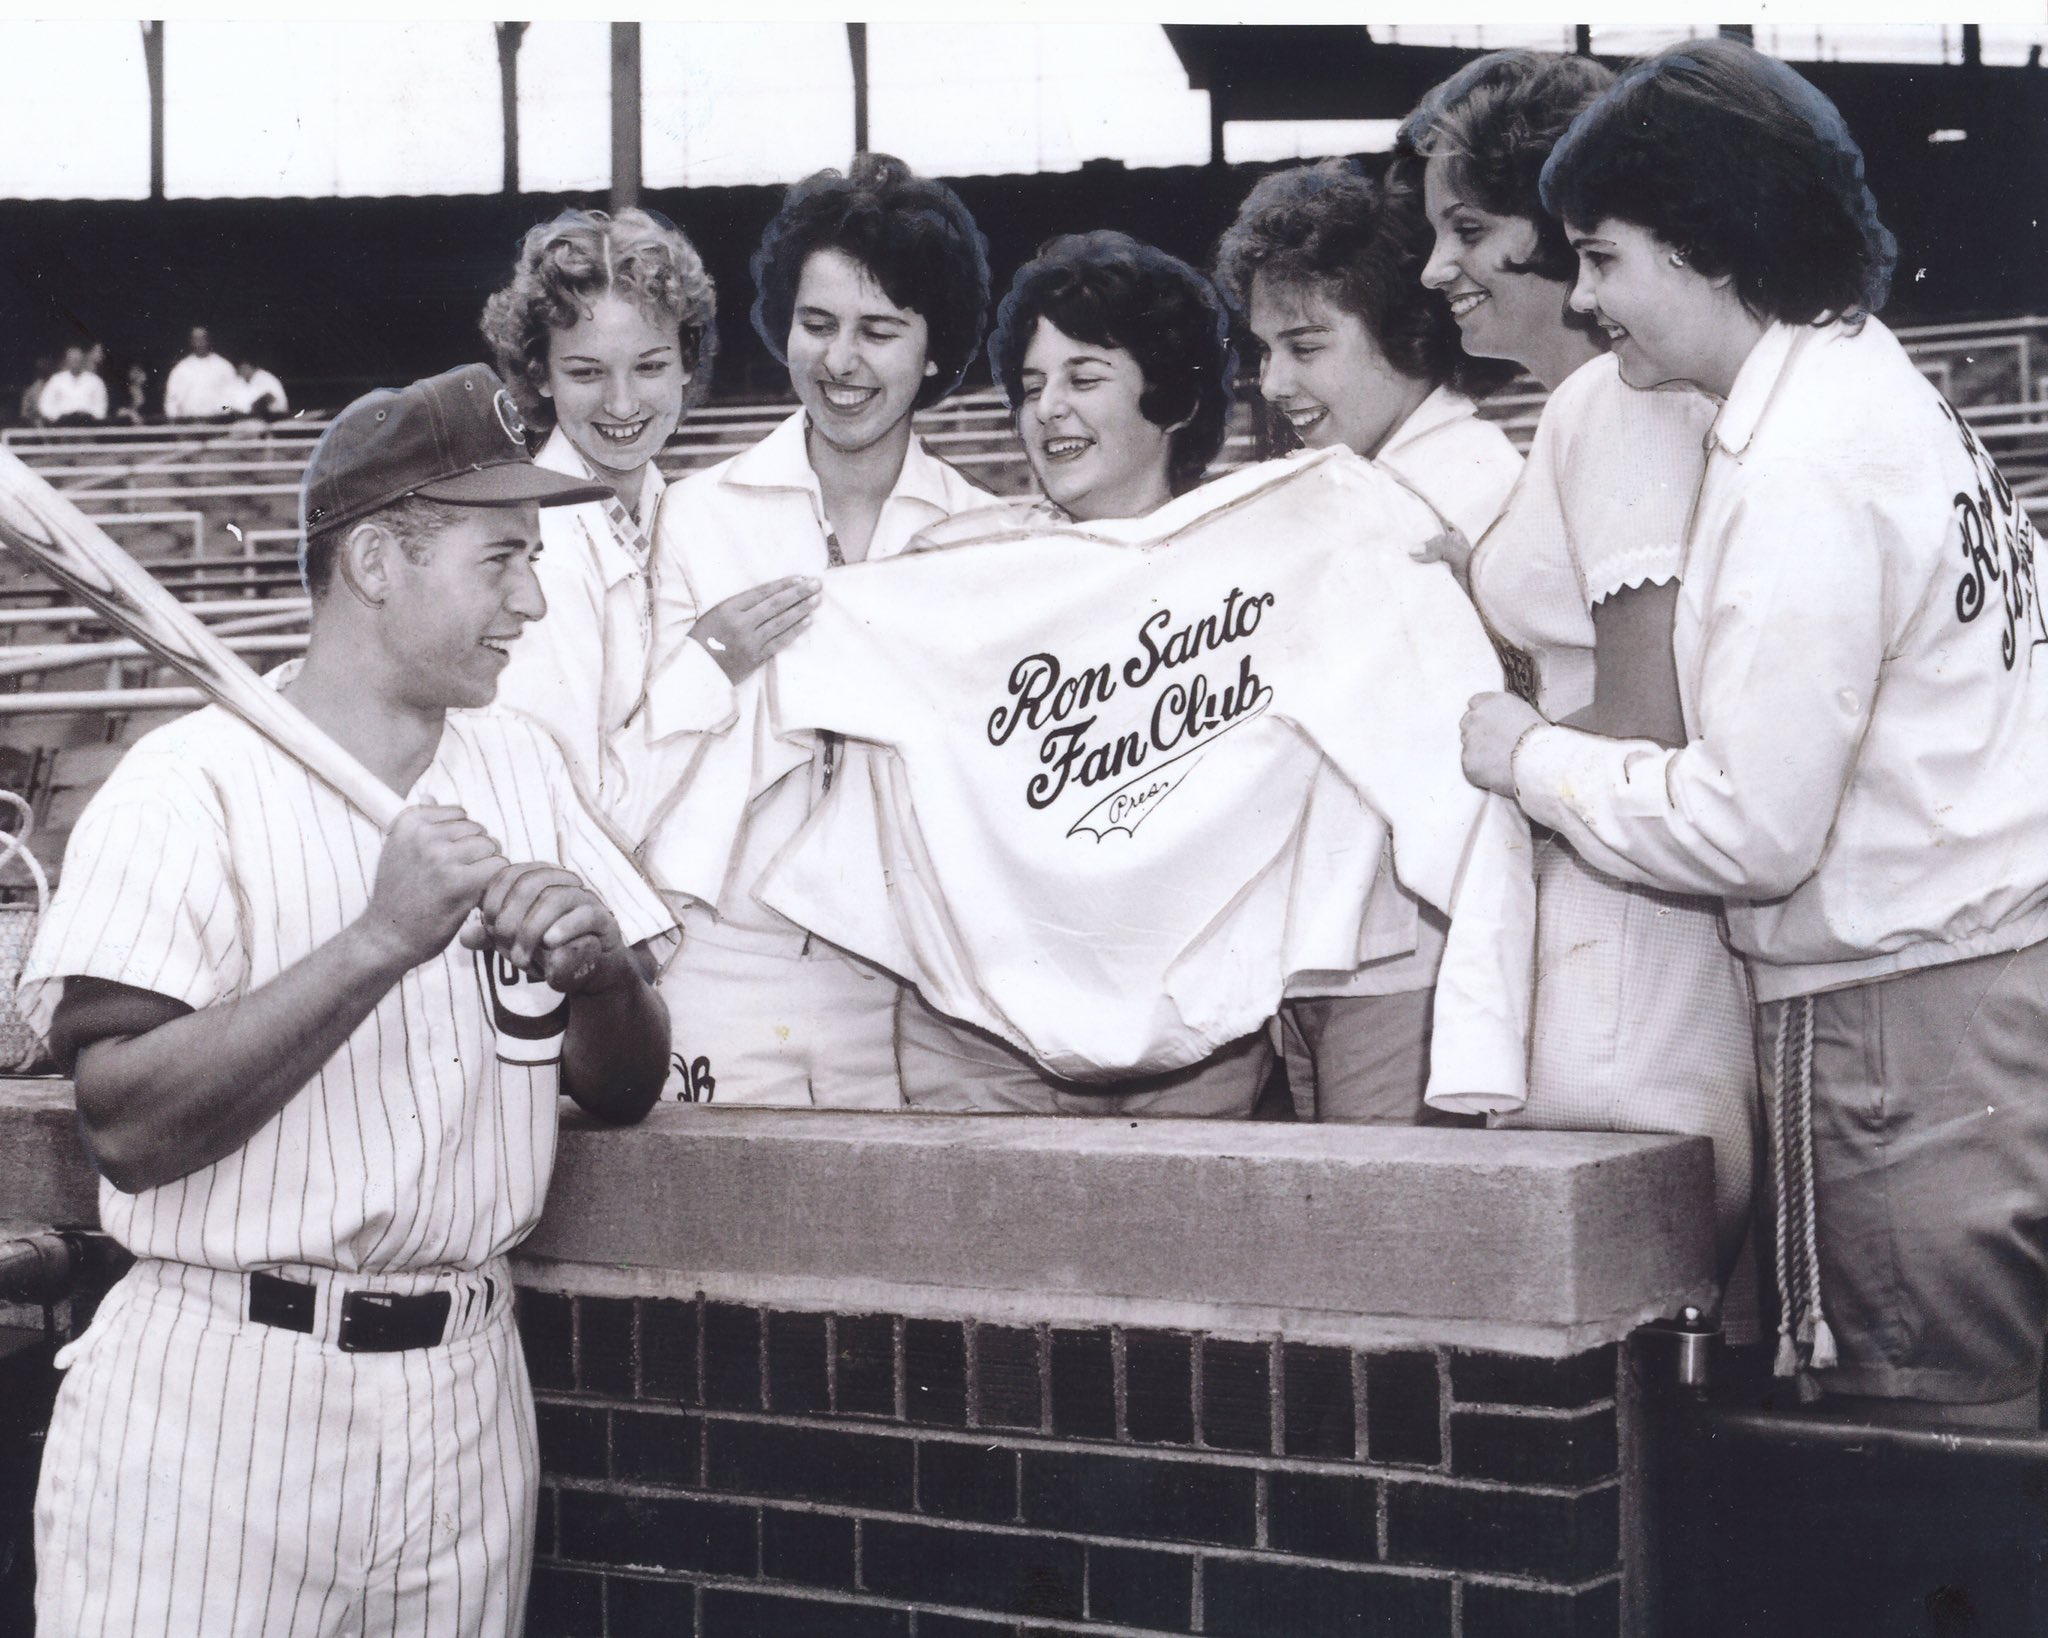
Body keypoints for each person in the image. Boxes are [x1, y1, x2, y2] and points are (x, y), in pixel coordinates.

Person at [19, 362, 675, 1634]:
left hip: (469, 1392)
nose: (532, 600)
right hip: (224, 1399)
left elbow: (629, 1080)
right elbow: (127, 1126)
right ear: (377, 561)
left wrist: (599, 975)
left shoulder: (521, 765)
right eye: (500, 560)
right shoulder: (186, 783)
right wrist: (378, 939)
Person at [1463, 38, 2048, 1428]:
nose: (1587, 296)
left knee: (1922, 1458)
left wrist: (1526, 757)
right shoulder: (1874, 382)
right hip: (1980, 980)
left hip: (1898, 1021)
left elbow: (1754, 827)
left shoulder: (1802, 464)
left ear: (1710, 243)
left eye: (1604, 257)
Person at [1393, 49, 1762, 1309]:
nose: (1436, 268)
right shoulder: (1588, 405)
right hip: (1611, 898)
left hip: (1625, 928)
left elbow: (1649, 719)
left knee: (1609, 1308)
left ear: (1561, 237)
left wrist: (1497, 742)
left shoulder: (1617, 403)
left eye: (1469, 230)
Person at [893, 230, 1276, 1114]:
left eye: (1084, 378)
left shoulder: (1252, 577)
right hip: (987, 1039)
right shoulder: (953, 567)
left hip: (1193, 1036)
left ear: (1172, 395)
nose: (1048, 410)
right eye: (1032, 387)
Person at [640, 153, 991, 1107]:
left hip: (920, 996)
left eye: (880, 331)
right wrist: (709, 662)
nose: (841, 362)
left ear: (934, 348)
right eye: (818, 323)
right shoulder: (696, 514)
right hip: (723, 971)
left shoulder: (984, 533)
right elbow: (626, 755)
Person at [1214, 158, 1525, 1124]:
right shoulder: (1350, 476)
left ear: (1405, 328)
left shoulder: (1472, 478)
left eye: (1306, 346)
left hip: (1412, 955)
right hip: (1330, 959)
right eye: (1265, 351)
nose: (1274, 384)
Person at [482, 206, 733, 840]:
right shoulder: (540, 554)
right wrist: (714, 663)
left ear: (686, 361)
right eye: (586, 372)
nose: (622, 405)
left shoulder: (670, 508)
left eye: (649, 366)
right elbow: (567, 824)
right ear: (539, 373)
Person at [163, 325, 239, 420]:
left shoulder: (224, 366)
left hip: (217, 423)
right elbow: (172, 400)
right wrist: (174, 420)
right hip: (188, 424)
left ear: (209, 340)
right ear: (191, 341)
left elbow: (234, 399)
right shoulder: (181, 368)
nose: (199, 343)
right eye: (196, 339)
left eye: (202, 338)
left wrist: (224, 412)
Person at [37, 346, 108, 425]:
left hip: (87, 424)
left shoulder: (95, 381)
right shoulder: (56, 380)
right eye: (72, 359)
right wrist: (54, 417)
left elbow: (101, 406)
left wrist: (94, 419)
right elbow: (45, 403)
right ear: (67, 360)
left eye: (77, 359)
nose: (75, 362)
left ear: (82, 360)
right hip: (62, 424)